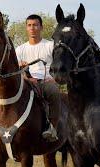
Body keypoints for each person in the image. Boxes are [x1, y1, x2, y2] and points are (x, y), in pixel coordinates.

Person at [16, 14, 60, 142]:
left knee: (53, 90)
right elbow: (18, 71)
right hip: (27, 82)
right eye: (29, 25)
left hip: (46, 81)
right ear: (26, 28)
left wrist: (54, 79)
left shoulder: (51, 46)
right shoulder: (20, 50)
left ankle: (52, 128)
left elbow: (59, 65)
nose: (32, 28)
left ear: (41, 27)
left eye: (35, 25)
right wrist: (25, 77)